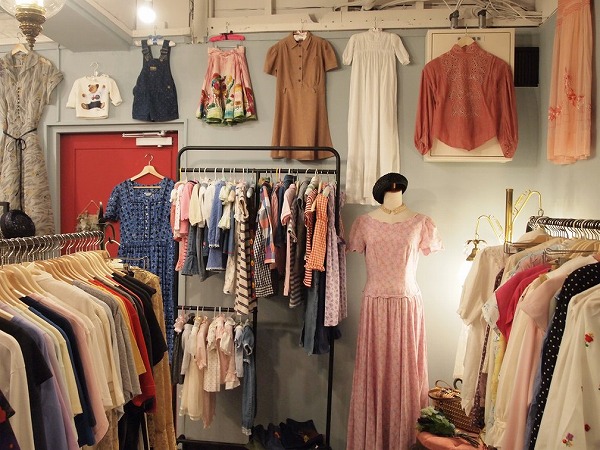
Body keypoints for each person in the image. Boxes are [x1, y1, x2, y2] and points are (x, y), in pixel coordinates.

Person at [346, 172, 443, 450]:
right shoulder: (364, 223)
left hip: (406, 304)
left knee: (407, 374)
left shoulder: (421, 223)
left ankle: (404, 442)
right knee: (374, 373)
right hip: (375, 304)